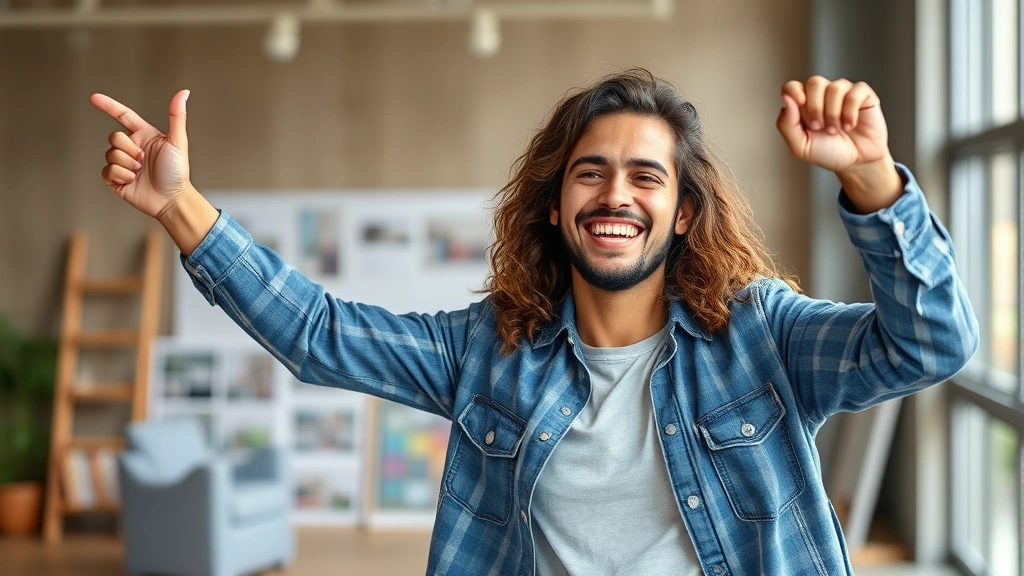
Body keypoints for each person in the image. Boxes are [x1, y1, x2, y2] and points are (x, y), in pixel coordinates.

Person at [93, 69, 978, 576]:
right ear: (555, 207)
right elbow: (319, 333)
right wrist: (180, 206)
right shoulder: (487, 351)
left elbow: (932, 341)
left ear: (682, 215)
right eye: (589, 173)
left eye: (647, 176)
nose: (616, 194)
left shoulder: (763, 337)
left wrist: (871, 181)